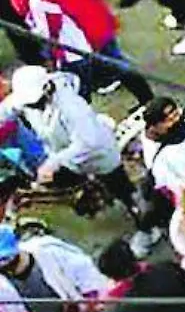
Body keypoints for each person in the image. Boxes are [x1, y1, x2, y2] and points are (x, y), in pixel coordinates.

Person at [0, 64, 137, 216]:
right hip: (64, 155)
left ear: (46, 89)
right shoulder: (27, 99)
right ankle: (90, 195)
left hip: (98, 155)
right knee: (62, 183)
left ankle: (135, 208)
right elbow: (7, 110)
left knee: (119, 185)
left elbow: (87, 142)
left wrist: (53, 162)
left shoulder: (72, 107)